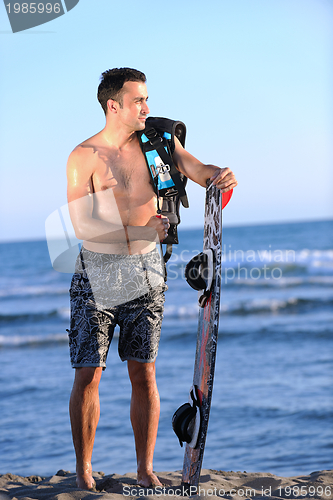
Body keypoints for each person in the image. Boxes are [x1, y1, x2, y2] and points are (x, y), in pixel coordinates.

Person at [66, 67, 237, 491]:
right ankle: (84, 471)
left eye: (147, 98)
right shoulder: (83, 157)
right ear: (114, 105)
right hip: (98, 273)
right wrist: (144, 231)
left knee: (144, 373)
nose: (147, 107)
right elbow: (84, 227)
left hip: (146, 271)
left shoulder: (159, 141)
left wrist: (220, 174)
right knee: (90, 373)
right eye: (138, 100)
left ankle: (145, 469)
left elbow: (198, 170)